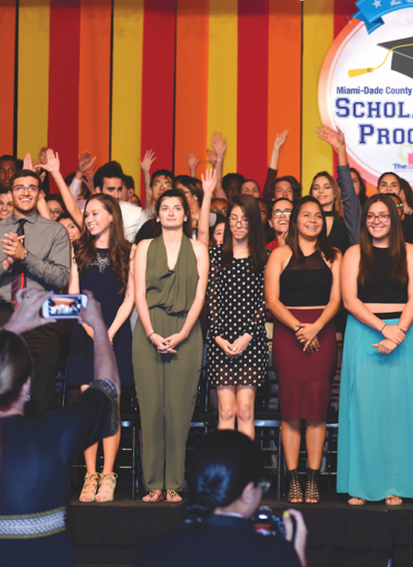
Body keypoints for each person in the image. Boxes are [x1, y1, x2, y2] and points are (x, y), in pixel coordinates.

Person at [0, 289, 119, 566]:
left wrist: (13, 326)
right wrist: (97, 325)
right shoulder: (54, 433)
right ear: (27, 386)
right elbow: (107, 388)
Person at [337, 194, 413, 505]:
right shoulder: (353, 254)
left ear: (395, 218)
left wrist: (397, 332)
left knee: (397, 412)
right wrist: (383, 329)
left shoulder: (412, 253)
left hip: (401, 333)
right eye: (371, 216)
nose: (377, 221)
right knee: (362, 410)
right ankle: (360, 485)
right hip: (363, 333)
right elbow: (349, 301)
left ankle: (395, 484)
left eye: (383, 215)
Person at [0, 169, 71, 417]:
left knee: (42, 399)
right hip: (2, 317)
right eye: (19, 187)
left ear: (39, 194)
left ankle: (38, 455)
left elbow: (60, 278)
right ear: (10, 193)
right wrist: (6, 264)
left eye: (31, 188)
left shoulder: (55, 231)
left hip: (40, 318)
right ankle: (0, 456)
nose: (25, 192)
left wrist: (24, 256)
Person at [132, 189, 209, 502]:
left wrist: (183, 332)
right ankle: (153, 484)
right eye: (165, 208)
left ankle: (174, 484)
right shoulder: (145, 247)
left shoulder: (199, 249)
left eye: (177, 207)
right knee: (151, 410)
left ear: (186, 214)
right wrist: (151, 334)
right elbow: (138, 294)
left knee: (179, 410)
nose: (172, 212)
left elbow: (200, 296)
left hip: (186, 332)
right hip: (149, 331)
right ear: (157, 213)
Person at [266, 196, 343, 505]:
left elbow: (337, 299)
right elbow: (272, 301)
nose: (313, 219)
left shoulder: (333, 255)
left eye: (318, 215)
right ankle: (293, 480)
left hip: (321, 335)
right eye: (307, 214)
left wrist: (315, 327)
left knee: (315, 411)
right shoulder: (280, 255)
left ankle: (313, 479)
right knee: (290, 411)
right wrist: (300, 328)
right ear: (295, 219)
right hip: (288, 335)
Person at [135, 430, 306, 567]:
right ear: (248, 492)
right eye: (263, 486)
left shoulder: (154, 551)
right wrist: (294, 558)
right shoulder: (275, 553)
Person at [67, 193, 136, 502]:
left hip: (116, 335)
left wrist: (109, 331)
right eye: (87, 214)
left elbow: (131, 298)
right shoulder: (77, 251)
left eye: (95, 213)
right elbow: (72, 297)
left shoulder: (129, 252)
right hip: (85, 335)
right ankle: (89, 475)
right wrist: (91, 329)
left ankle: (109, 475)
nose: (89, 218)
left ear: (111, 215)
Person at [204, 192, 271, 440]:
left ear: (253, 221)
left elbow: (265, 301)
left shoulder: (265, 257)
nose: (239, 224)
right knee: (226, 410)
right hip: (220, 340)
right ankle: (227, 475)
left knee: (244, 410)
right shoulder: (214, 255)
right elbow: (210, 299)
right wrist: (218, 336)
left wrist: (248, 336)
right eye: (233, 218)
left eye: (244, 218)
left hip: (251, 342)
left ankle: (245, 474)